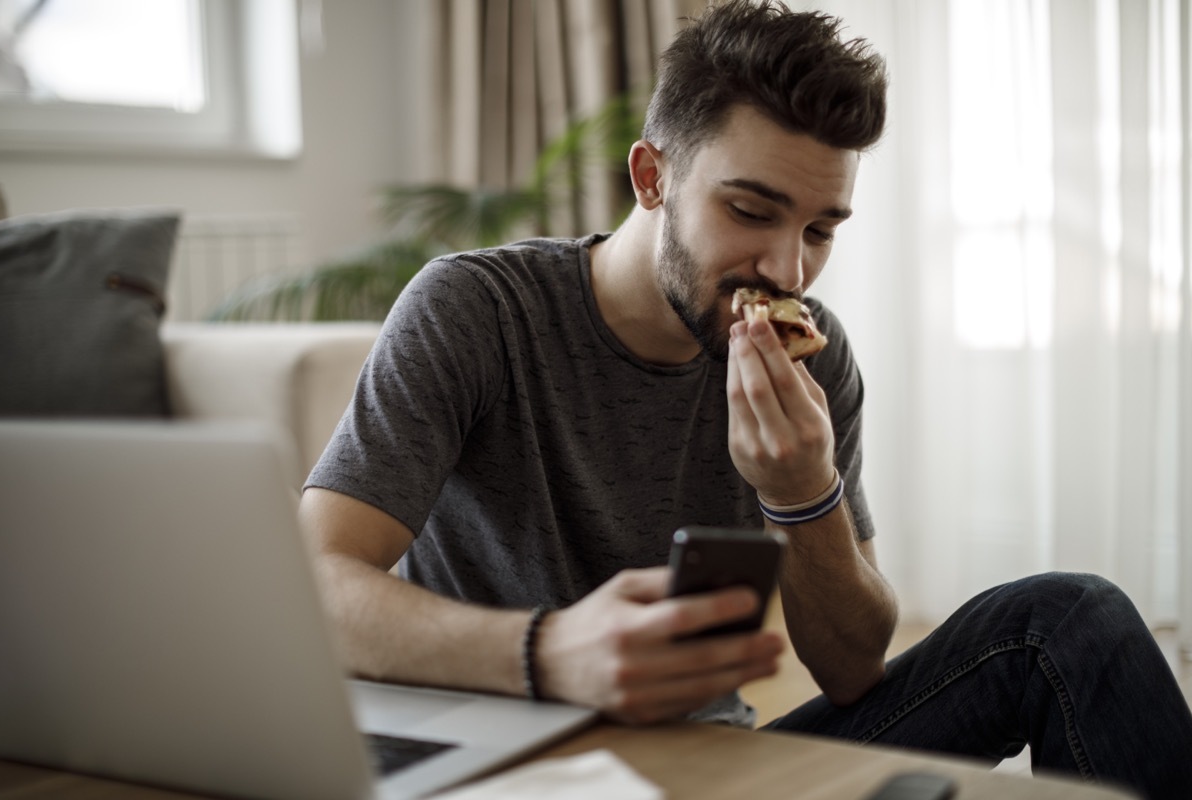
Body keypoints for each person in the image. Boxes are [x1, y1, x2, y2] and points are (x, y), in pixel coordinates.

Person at [300, 2, 1192, 797]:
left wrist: (805, 495)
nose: (788, 269)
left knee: (1068, 619)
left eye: (819, 229)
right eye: (751, 211)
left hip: (711, 770)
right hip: (506, 767)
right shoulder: (478, 310)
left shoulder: (819, 356)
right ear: (652, 177)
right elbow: (313, 583)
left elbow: (850, 671)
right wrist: (549, 653)